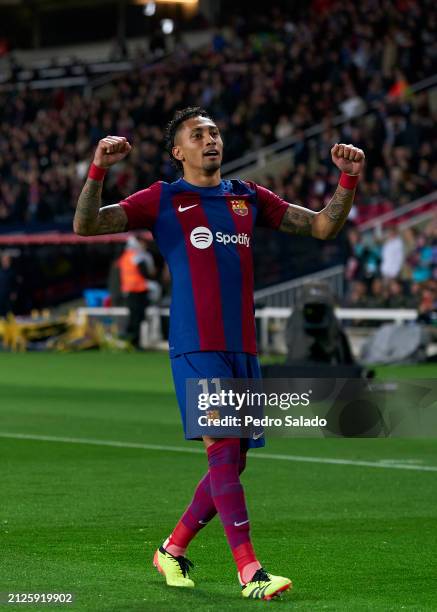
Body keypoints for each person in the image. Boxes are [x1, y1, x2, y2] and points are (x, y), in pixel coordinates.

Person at [73, 107, 365, 601]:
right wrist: (99, 168)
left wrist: (348, 180)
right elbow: (87, 224)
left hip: (242, 347)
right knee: (225, 450)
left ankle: (171, 548)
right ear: (178, 152)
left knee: (234, 459)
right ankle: (250, 570)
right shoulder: (163, 198)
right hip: (195, 343)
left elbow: (321, 228)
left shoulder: (247, 197)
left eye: (214, 132)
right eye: (197, 134)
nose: (210, 139)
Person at [118, 235, 156, 348]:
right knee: (137, 317)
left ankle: (130, 339)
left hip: (130, 290)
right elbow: (145, 273)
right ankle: (134, 341)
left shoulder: (125, 256)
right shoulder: (137, 256)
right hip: (138, 290)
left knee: (134, 316)